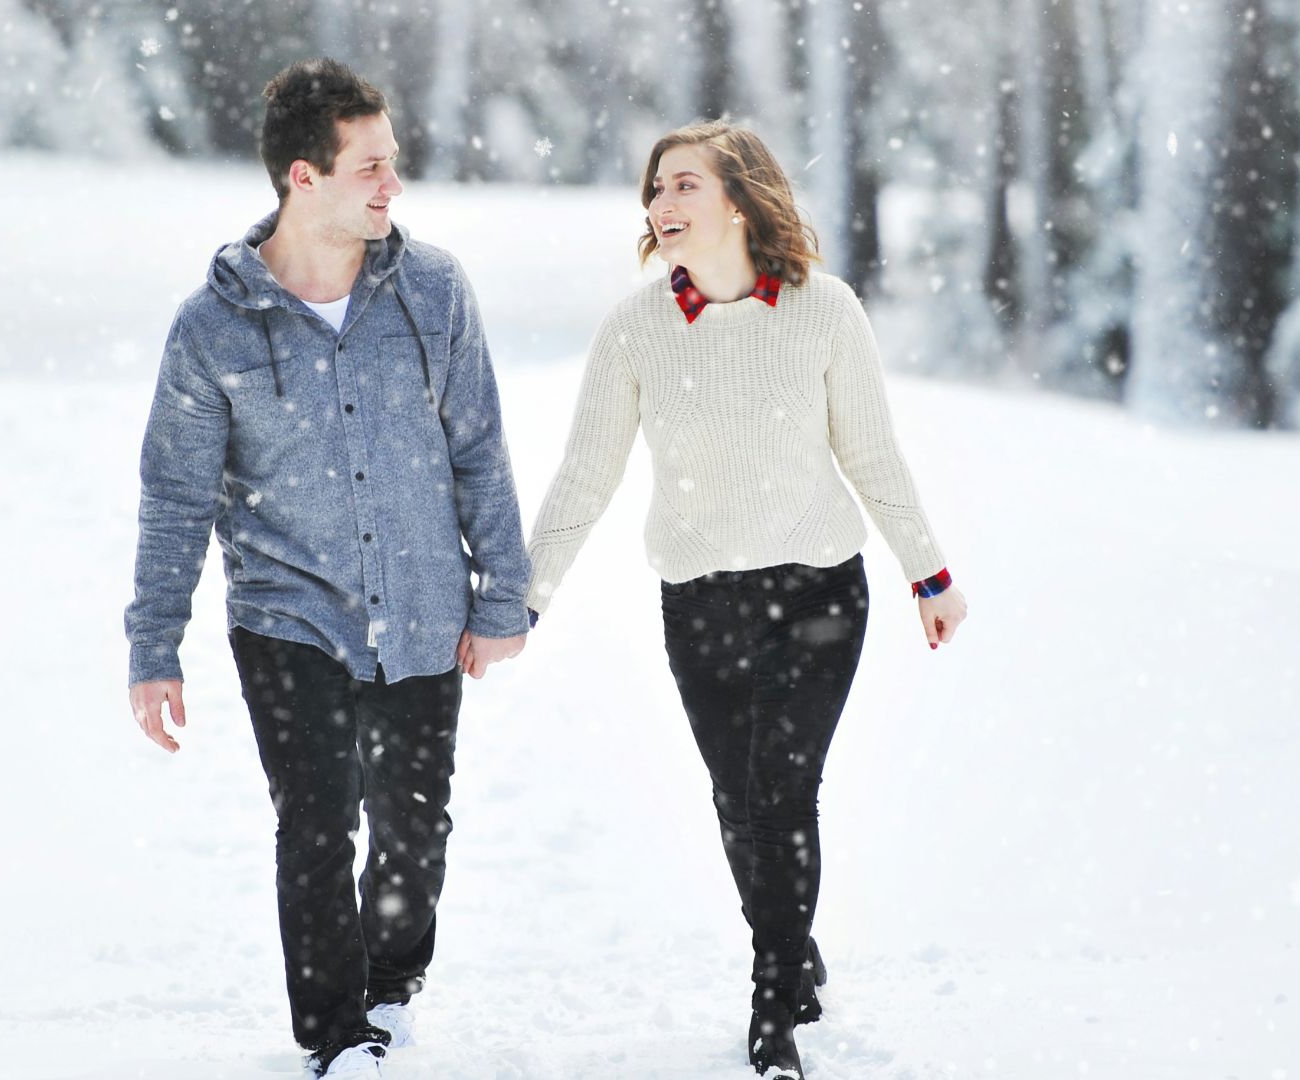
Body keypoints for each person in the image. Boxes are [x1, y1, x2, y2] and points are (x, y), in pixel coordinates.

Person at [523, 120, 968, 1080]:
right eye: (655, 189)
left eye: (683, 185)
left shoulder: (826, 311)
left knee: (781, 795)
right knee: (738, 799)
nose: (662, 205)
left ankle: (773, 1013)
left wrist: (927, 573)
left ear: (738, 199)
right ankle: (792, 942)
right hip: (700, 606)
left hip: (818, 594)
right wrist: (527, 596)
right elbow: (586, 474)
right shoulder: (637, 328)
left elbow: (873, 453)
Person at [123, 58, 531, 1080]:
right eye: (371, 167)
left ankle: (392, 987)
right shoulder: (212, 326)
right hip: (285, 613)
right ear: (303, 178)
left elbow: (478, 446)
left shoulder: (432, 291)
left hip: (427, 603)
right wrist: (152, 645)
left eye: (392, 164)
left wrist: (503, 592)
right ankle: (335, 1033)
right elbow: (175, 494)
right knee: (313, 821)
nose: (394, 184)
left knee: (412, 822)